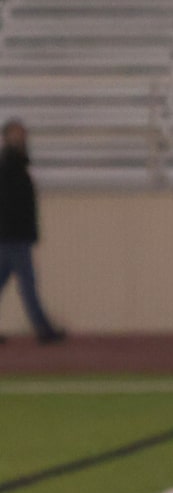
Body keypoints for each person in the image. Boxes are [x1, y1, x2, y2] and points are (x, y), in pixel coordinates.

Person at [0, 119, 67, 344]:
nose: (22, 138)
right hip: (13, 237)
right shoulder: (10, 166)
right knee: (28, 286)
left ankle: (44, 329)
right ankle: (44, 330)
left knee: (13, 282)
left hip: (14, 236)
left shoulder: (16, 164)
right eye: (17, 134)